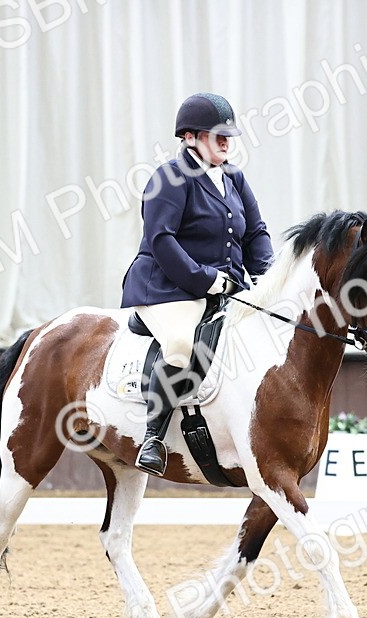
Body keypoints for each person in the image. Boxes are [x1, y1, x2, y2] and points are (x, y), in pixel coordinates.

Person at [121, 92, 275, 476]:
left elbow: (255, 234)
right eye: (216, 134)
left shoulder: (234, 178)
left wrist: (267, 283)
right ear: (190, 137)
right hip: (167, 288)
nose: (226, 141)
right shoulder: (169, 179)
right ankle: (153, 440)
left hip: (227, 286)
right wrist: (206, 280)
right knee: (180, 345)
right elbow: (162, 240)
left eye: (229, 135)